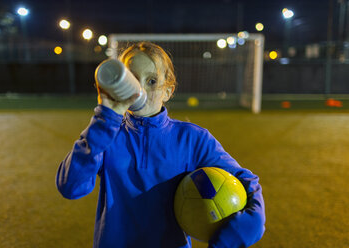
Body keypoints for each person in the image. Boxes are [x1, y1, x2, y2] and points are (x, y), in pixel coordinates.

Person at [56, 42, 265, 248]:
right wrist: (104, 120)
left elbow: (245, 181)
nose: (141, 90)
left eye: (152, 81)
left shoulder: (192, 138)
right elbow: (71, 187)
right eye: (133, 80)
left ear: (168, 91)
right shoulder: (107, 133)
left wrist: (246, 227)